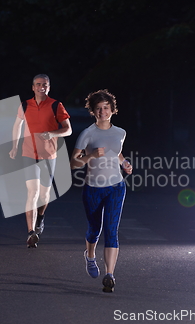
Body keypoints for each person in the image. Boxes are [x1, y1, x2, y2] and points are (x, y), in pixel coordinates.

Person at [70, 89, 132, 293]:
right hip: (93, 188)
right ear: (93, 111)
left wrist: (125, 163)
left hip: (116, 187)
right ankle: (89, 256)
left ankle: (110, 275)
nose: (102, 112)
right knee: (94, 229)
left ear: (113, 110)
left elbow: (117, 152)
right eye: (98, 108)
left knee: (111, 230)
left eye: (106, 108)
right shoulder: (87, 134)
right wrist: (90, 157)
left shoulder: (120, 133)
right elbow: (73, 164)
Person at [9, 74, 72, 248]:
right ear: (33, 87)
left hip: (49, 155)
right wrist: (14, 146)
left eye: (44, 85)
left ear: (49, 87)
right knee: (32, 192)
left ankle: (40, 218)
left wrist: (52, 133)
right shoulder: (24, 105)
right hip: (29, 154)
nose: (41, 87)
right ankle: (31, 233)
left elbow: (68, 130)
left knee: (44, 196)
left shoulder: (55, 105)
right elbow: (17, 126)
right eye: (38, 85)